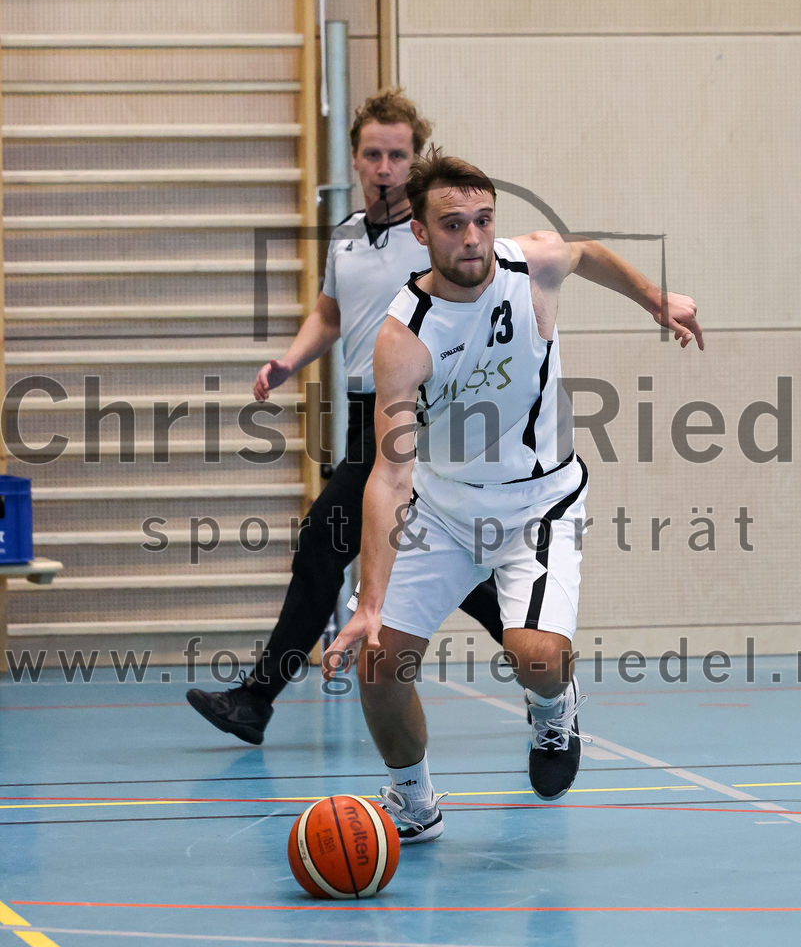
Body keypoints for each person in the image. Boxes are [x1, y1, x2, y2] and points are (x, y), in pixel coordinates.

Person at [323, 149, 703, 843]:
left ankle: (553, 712)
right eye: (451, 225)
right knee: (378, 664)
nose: (470, 238)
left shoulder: (533, 266)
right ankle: (412, 801)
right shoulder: (402, 336)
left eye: (481, 220)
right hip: (441, 509)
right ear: (421, 232)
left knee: (535, 655)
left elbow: (585, 252)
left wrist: (655, 297)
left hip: (540, 503)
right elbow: (387, 476)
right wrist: (369, 602)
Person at [186, 92, 504, 744]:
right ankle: (542, 669)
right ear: (355, 159)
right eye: (372, 154)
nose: (384, 167)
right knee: (455, 566)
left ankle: (255, 699)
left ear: (414, 162)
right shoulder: (348, 237)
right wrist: (289, 361)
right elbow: (330, 316)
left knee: (320, 544)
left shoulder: (436, 238)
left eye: (397, 155)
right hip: (367, 409)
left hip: (423, 413)